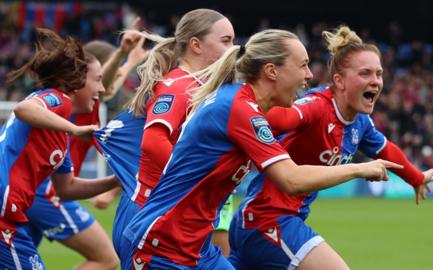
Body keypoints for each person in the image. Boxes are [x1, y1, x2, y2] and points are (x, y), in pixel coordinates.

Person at [119, 28, 402, 269]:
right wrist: (359, 168)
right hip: (162, 246)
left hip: (197, 248)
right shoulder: (239, 108)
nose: (308, 76)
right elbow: (291, 180)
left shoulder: (245, 106)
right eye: (302, 65)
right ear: (271, 71)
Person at [227, 25, 433, 270]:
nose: (375, 81)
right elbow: (278, 118)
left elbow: (386, 150)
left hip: (271, 219)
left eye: (379, 74)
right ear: (339, 81)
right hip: (268, 218)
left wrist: (416, 178)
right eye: (365, 74)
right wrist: (243, 112)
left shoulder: (360, 123)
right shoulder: (316, 106)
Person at [92, 8, 236, 256]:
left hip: (169, 210)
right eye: (226, 41)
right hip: (152, 212)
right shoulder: (180, 85)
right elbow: (153, 141)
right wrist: (197, 183)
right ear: (196, 45)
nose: (234, 48)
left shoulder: (200, 87)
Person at [24, 24, 146, 270]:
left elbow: (111, 82)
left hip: (37, 190)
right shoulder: (76, 106)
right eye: (97, 78)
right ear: (81, 78)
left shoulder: (72, 103)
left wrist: (128, 59)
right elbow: (110, 84)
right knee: (107, 258)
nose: (103, 87)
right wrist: (122, 54)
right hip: (46, 191)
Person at [0, 28, 118, 269]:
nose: (103, 89)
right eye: (98, 80)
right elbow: (24, 109)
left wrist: (117, 180)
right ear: (76, 82)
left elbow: (66, 188)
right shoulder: (57, 98)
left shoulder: (59, 134)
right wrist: (74, 130)